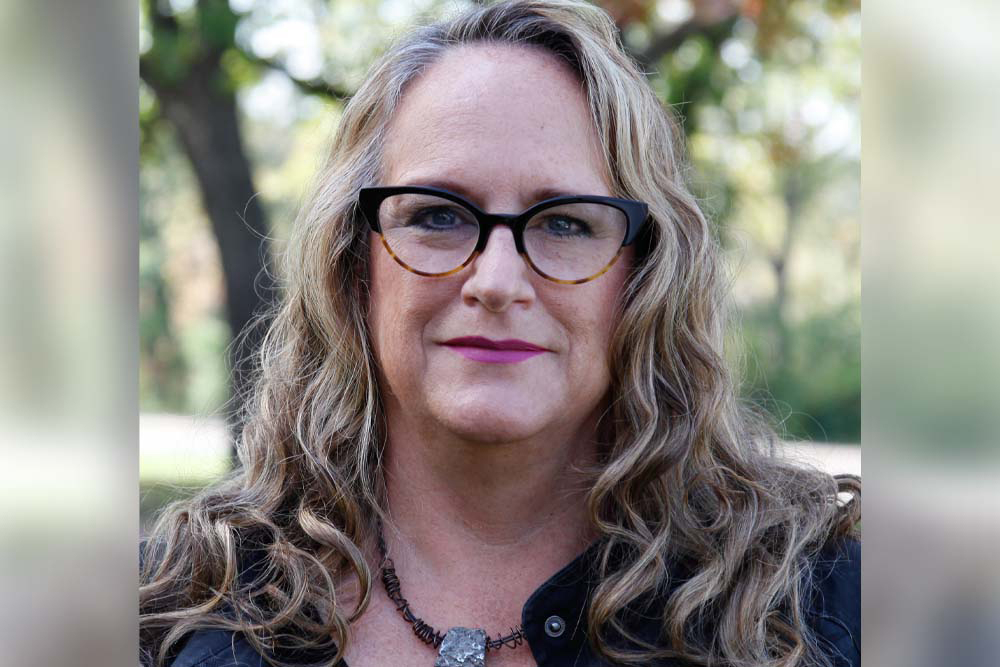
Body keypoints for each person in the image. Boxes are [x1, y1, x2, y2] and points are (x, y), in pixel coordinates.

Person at [140, 2, 860, 666]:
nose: (496, 280)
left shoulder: (821, 606)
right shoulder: (178, 606)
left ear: (643, 277)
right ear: (355, 266)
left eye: (565, 223)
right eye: (438, 215)